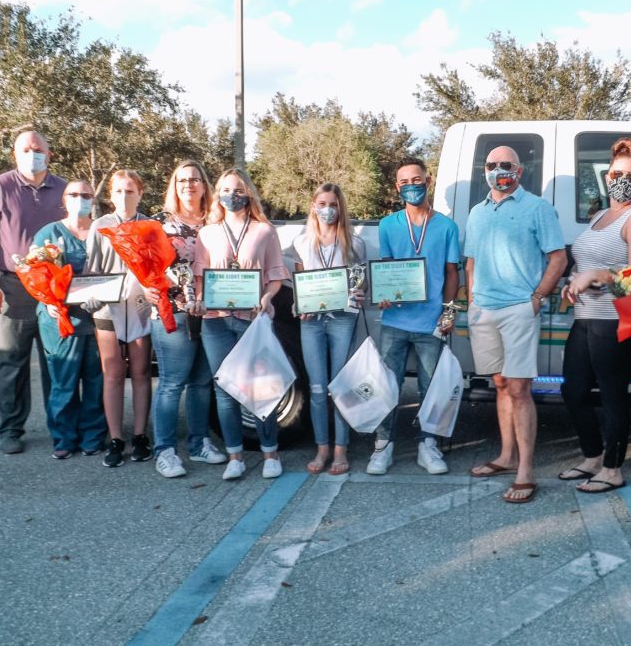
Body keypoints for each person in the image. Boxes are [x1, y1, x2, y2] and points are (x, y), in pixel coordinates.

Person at [466, 146, 567, 503]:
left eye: (505, 165)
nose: (497, 171)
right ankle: (506, 457)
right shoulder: (477, 213)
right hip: (485, 311)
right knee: (500, 384)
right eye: (491, 166)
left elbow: (558, 256)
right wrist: (472, 302)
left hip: (519, 309)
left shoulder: (538, 207)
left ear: (519, 171)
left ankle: (525, 470)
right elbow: (472, 260)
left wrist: (538, 296)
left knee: (521, 388)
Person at [560, 137, 631, 493]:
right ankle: (592, 457)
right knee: (572, 390)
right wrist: (574, 280)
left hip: (615, 321)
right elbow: (587, 262)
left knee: (613, 396)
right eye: (617, 172)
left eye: (630, 175)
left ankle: (613, 468)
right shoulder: (601, 215)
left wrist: (596, 277)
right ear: (607, 175)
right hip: (584, 319)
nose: (622, 179)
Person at [0, 131, 67, 454]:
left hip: (56, 287)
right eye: (25, 149)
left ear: (49, 155)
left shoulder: (64, 191)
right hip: (13, 286)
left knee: (57, 360)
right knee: (12, 360)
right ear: (15, 154)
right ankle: (11, 428)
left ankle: (62, 427)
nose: (32, 154)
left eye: (38, 149)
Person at [367, 157, 461, 476]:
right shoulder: (388, 224)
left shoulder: (447, 226)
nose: (411, 186)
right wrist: (383, 294)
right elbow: (388, 270)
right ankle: (383, 447)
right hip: (395, 321)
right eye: (404, 182)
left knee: (430, 387)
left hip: (430, 321)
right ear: (397, 187)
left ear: (428, 180)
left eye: (416, 180)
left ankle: (428, 446)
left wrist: (447, 311)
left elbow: (451, 272)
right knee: (387, 386)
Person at [195, 169, 291, 480]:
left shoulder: (264, 231)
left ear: (247, 193)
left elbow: (276, 275)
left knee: (261, 388)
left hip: (254, 320)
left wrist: (267, 297)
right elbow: (200, 278)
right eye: (224, 189)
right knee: (225, 390)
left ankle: (270, 454)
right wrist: (198, 298)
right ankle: (235, 456)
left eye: (237, 189)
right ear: (217, 195)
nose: (230, 195)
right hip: (217, 321)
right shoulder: (207, 233)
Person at [147, 160, 223, 479]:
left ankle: (198, 443)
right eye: (182, 180)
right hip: (173, 311)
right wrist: (146, 287)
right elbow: (141, 264)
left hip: (212, 311)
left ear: (205, 185)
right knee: (172, 383)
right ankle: (164, 451)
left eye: (195, 180)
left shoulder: (217, 221)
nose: (188, 185)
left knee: (202, 382)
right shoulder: (159, 224)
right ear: (173, 186)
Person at [292, 183, 367, 476]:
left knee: (340, 386)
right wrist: (299, 304)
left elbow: (362, 281)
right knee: (316, 387)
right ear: (313, 206)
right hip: (312, 321)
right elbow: (299, 282)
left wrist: (360, 291)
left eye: (333, 204)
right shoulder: (301, 242)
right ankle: (322, 447)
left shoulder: (354, 242)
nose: (328, 209)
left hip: (342, 319)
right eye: (322, 203)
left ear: (341, 207)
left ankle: (341, 448)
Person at [32, 180, 106, 459]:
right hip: (60, 319)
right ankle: (64, 437)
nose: (80, 199)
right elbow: (34, 273)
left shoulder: (102, 231)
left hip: (97, 317)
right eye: (74, 194)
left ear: (93, 200)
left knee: (95, 380)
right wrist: (47, 300)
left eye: (86, 195)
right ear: (64, 200)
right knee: (63, 380)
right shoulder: (48, 234)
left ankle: (93, 436)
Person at [85, 170, 153, 468]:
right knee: (112, 373)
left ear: (140, 193)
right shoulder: (100, 226)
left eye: (130, 191)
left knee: (140, 372)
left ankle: (140, 435)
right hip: (107, 307)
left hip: (140, 307)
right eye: (118, 191)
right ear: (110, 195)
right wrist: (89, 293)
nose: (124, 197)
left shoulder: (150, 225)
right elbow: (92, 268)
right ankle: (116, 438)